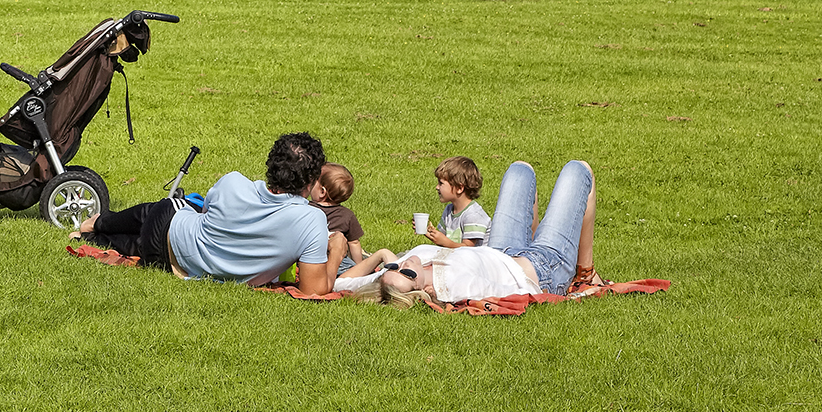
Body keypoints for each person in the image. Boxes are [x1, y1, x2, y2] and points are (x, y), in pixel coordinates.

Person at [70, 132, 334, 293]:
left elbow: (204, 212)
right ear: (311, 182)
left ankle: (98, 222)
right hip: (168, 263)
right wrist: (337, 253)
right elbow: (314, 289)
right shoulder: (312, 222)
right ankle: (93, 237)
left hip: (170, 232)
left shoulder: (234, 183)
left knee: (162, 209)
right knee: (137, 243)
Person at [358, 160, 604, 303]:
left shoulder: (407, 266)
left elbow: (347, 283)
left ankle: (535, 243)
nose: (403, 264)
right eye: (408, 274)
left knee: (520, 170)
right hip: (542, 269)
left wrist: (381, 256)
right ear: (427, 291)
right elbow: (509, 296)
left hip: (500, 248)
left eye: (395, 268)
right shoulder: (452, 287)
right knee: (579, 170)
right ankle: (585, 274)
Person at [312, 163, 366, 274]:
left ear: (322, 191)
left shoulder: (307, 209)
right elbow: (354, 244)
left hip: (312, 261)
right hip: (341, 264)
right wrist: (360, 267)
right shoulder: (348, 215)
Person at [425, 155, 490, 248]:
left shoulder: (473, 215)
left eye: (441, 183)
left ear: (459, 188)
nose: (437, 187)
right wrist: (427, 232)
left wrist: (444, 242)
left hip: (474, 260)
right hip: (456, 258)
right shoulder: (449, 209)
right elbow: (443, 237)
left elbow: (468, 249)